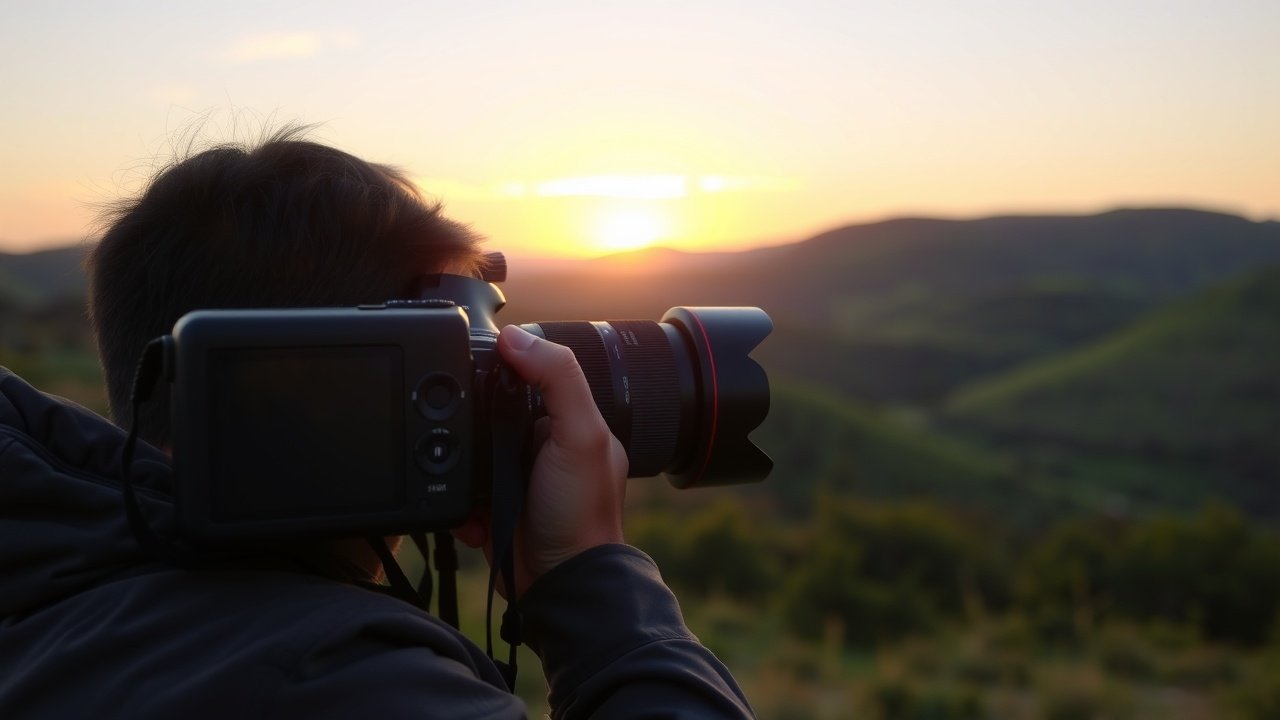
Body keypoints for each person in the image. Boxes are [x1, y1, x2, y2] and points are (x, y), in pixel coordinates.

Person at [0, 127, 754, 718]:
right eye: (465, 355)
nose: (494, 380)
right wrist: (588, 580)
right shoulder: (341, 685)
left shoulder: (51, 580)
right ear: (336, 375)